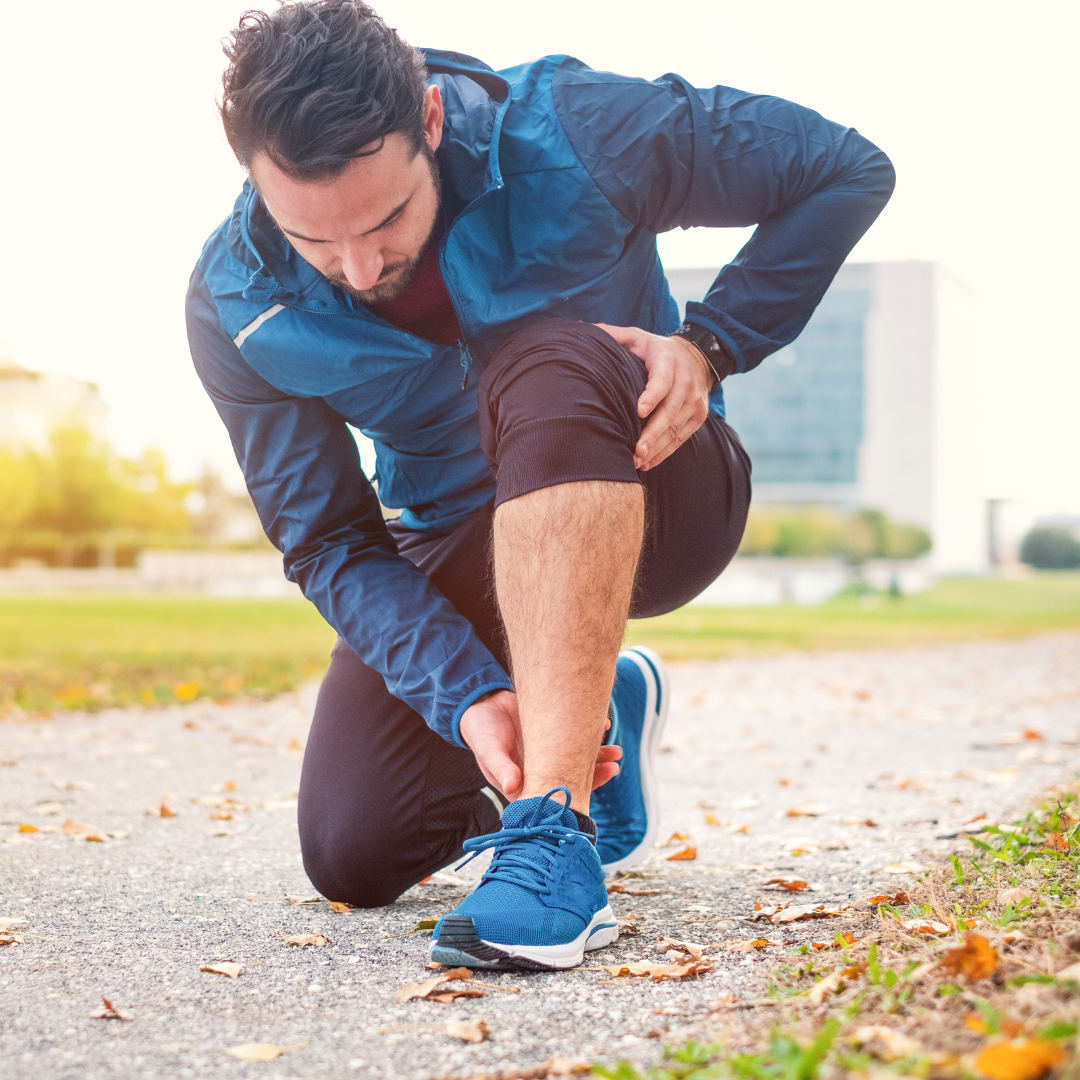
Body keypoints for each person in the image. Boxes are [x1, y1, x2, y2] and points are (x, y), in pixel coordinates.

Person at [186, 0, 893, 970]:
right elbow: (331, 542)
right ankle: (600, 705)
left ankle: (554, 832)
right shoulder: (237, 305)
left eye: (385, 219)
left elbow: (843, 169)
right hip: (461, 532)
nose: (357, 268)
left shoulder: (574, 127)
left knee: (548, 358)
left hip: (654, 490)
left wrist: (712, 343)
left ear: (430, 121)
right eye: (316, 240)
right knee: (354, 848)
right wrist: (471, 694)